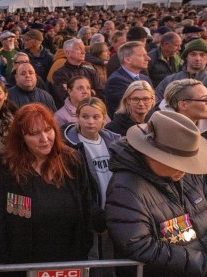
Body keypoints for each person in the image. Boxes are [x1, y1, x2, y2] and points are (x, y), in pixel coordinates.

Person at [0, 103, 92, 272]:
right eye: (34, 134)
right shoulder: (4, 166)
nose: (44, 138)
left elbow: (86, 206)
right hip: (20, 263)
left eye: (48, 130)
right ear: (21, 138)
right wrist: (3, 260)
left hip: (68, 261)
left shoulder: (73, 160)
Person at [105, 111, 207, 277]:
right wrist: (201, 263)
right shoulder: (125, 188)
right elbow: (139, 245)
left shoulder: (187, 173)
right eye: (176, 163)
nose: (184, 170)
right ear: (151, 155)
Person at [63, 97, 120, 262]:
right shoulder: (70, 146)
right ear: (77, 118)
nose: (90, 122)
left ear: (104, 118)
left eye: (96, 117)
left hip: (111, 209)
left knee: (110, 257)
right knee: (91, 256)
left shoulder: (115, 142)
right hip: (88, 212)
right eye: (85, 116)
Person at [105, 41, 152, 118]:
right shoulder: (116, 81)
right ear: (128, 60)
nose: (148, 58)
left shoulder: (145, 78)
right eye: (142, 56)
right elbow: (129, 111)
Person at [52, 38, 104, 104]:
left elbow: (102, 94)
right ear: (68, 53)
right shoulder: (60, 74)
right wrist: (92, 92)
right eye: (79, 49)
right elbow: (66, 98)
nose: (84, 52)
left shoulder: (91, 71)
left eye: (84, 49)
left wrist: (78, 93)